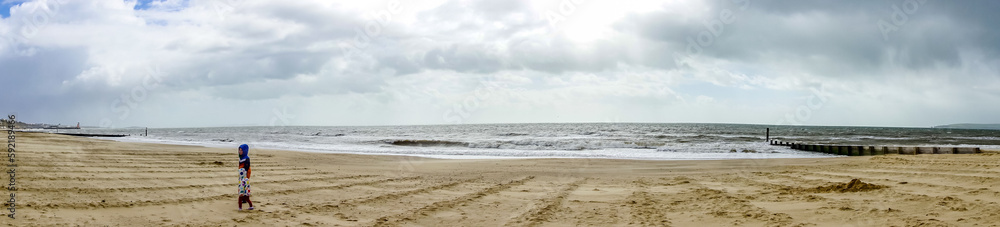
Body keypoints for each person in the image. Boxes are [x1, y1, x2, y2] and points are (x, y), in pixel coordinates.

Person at [238, 144, 254, 210]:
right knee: (241, 186)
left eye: (241, 150)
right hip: (241, 175)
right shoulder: (240, 158)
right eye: (239, 150)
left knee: (245, 186)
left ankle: (244, 198)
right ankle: (243, 198)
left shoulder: (246, 158)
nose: (239, 151)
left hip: (245, 175)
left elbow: (247, 168)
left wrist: (245, 176)